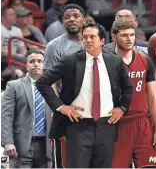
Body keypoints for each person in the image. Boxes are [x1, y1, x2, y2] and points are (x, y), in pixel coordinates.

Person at [36, 22, 133, 168]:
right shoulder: (70, 60)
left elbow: (128, 87)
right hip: (78, 125)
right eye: (85, 37)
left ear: (102, 41)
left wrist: (122, 108)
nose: (87, 40)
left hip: (106, 125)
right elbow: (42, 82)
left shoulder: (114, 61)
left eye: (92, 37)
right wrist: (61, 107)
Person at [109, 18, 156, 168]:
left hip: (142, 123)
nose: (129, 39)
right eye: (124, 35)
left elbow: (152, 97)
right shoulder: (107, 61)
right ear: (114, 36)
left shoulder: (145, 60)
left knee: (150, 166)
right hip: (117, 124)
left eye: (132, 35)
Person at [43, 3, 86, 168]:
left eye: (76, 16)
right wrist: (59, 108)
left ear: (84, 19)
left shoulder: (94, 42)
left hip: (91, 109)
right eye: (67, 17)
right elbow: (49, 82)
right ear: (62, 22)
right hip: (66, 109)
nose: (72, 20)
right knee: (64, 160)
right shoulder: (54, 46)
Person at [1, 49, 52, 168]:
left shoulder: (52, 86)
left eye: (39, 61)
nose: (36, 64)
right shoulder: (14, 86)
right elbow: (6, 115)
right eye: (32, 61)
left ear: (44, 65)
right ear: (26, 65)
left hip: (45, 145)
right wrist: (8, 142)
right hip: (20, 145)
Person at [1, 5, 26, 71]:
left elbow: (22, 49)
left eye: (15, 14)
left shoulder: (18, 30)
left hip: (15, 59)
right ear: (3, 18)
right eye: (11, 15)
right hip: (3, 59)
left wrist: (26, 56)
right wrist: (16, 55)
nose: (15, 16)